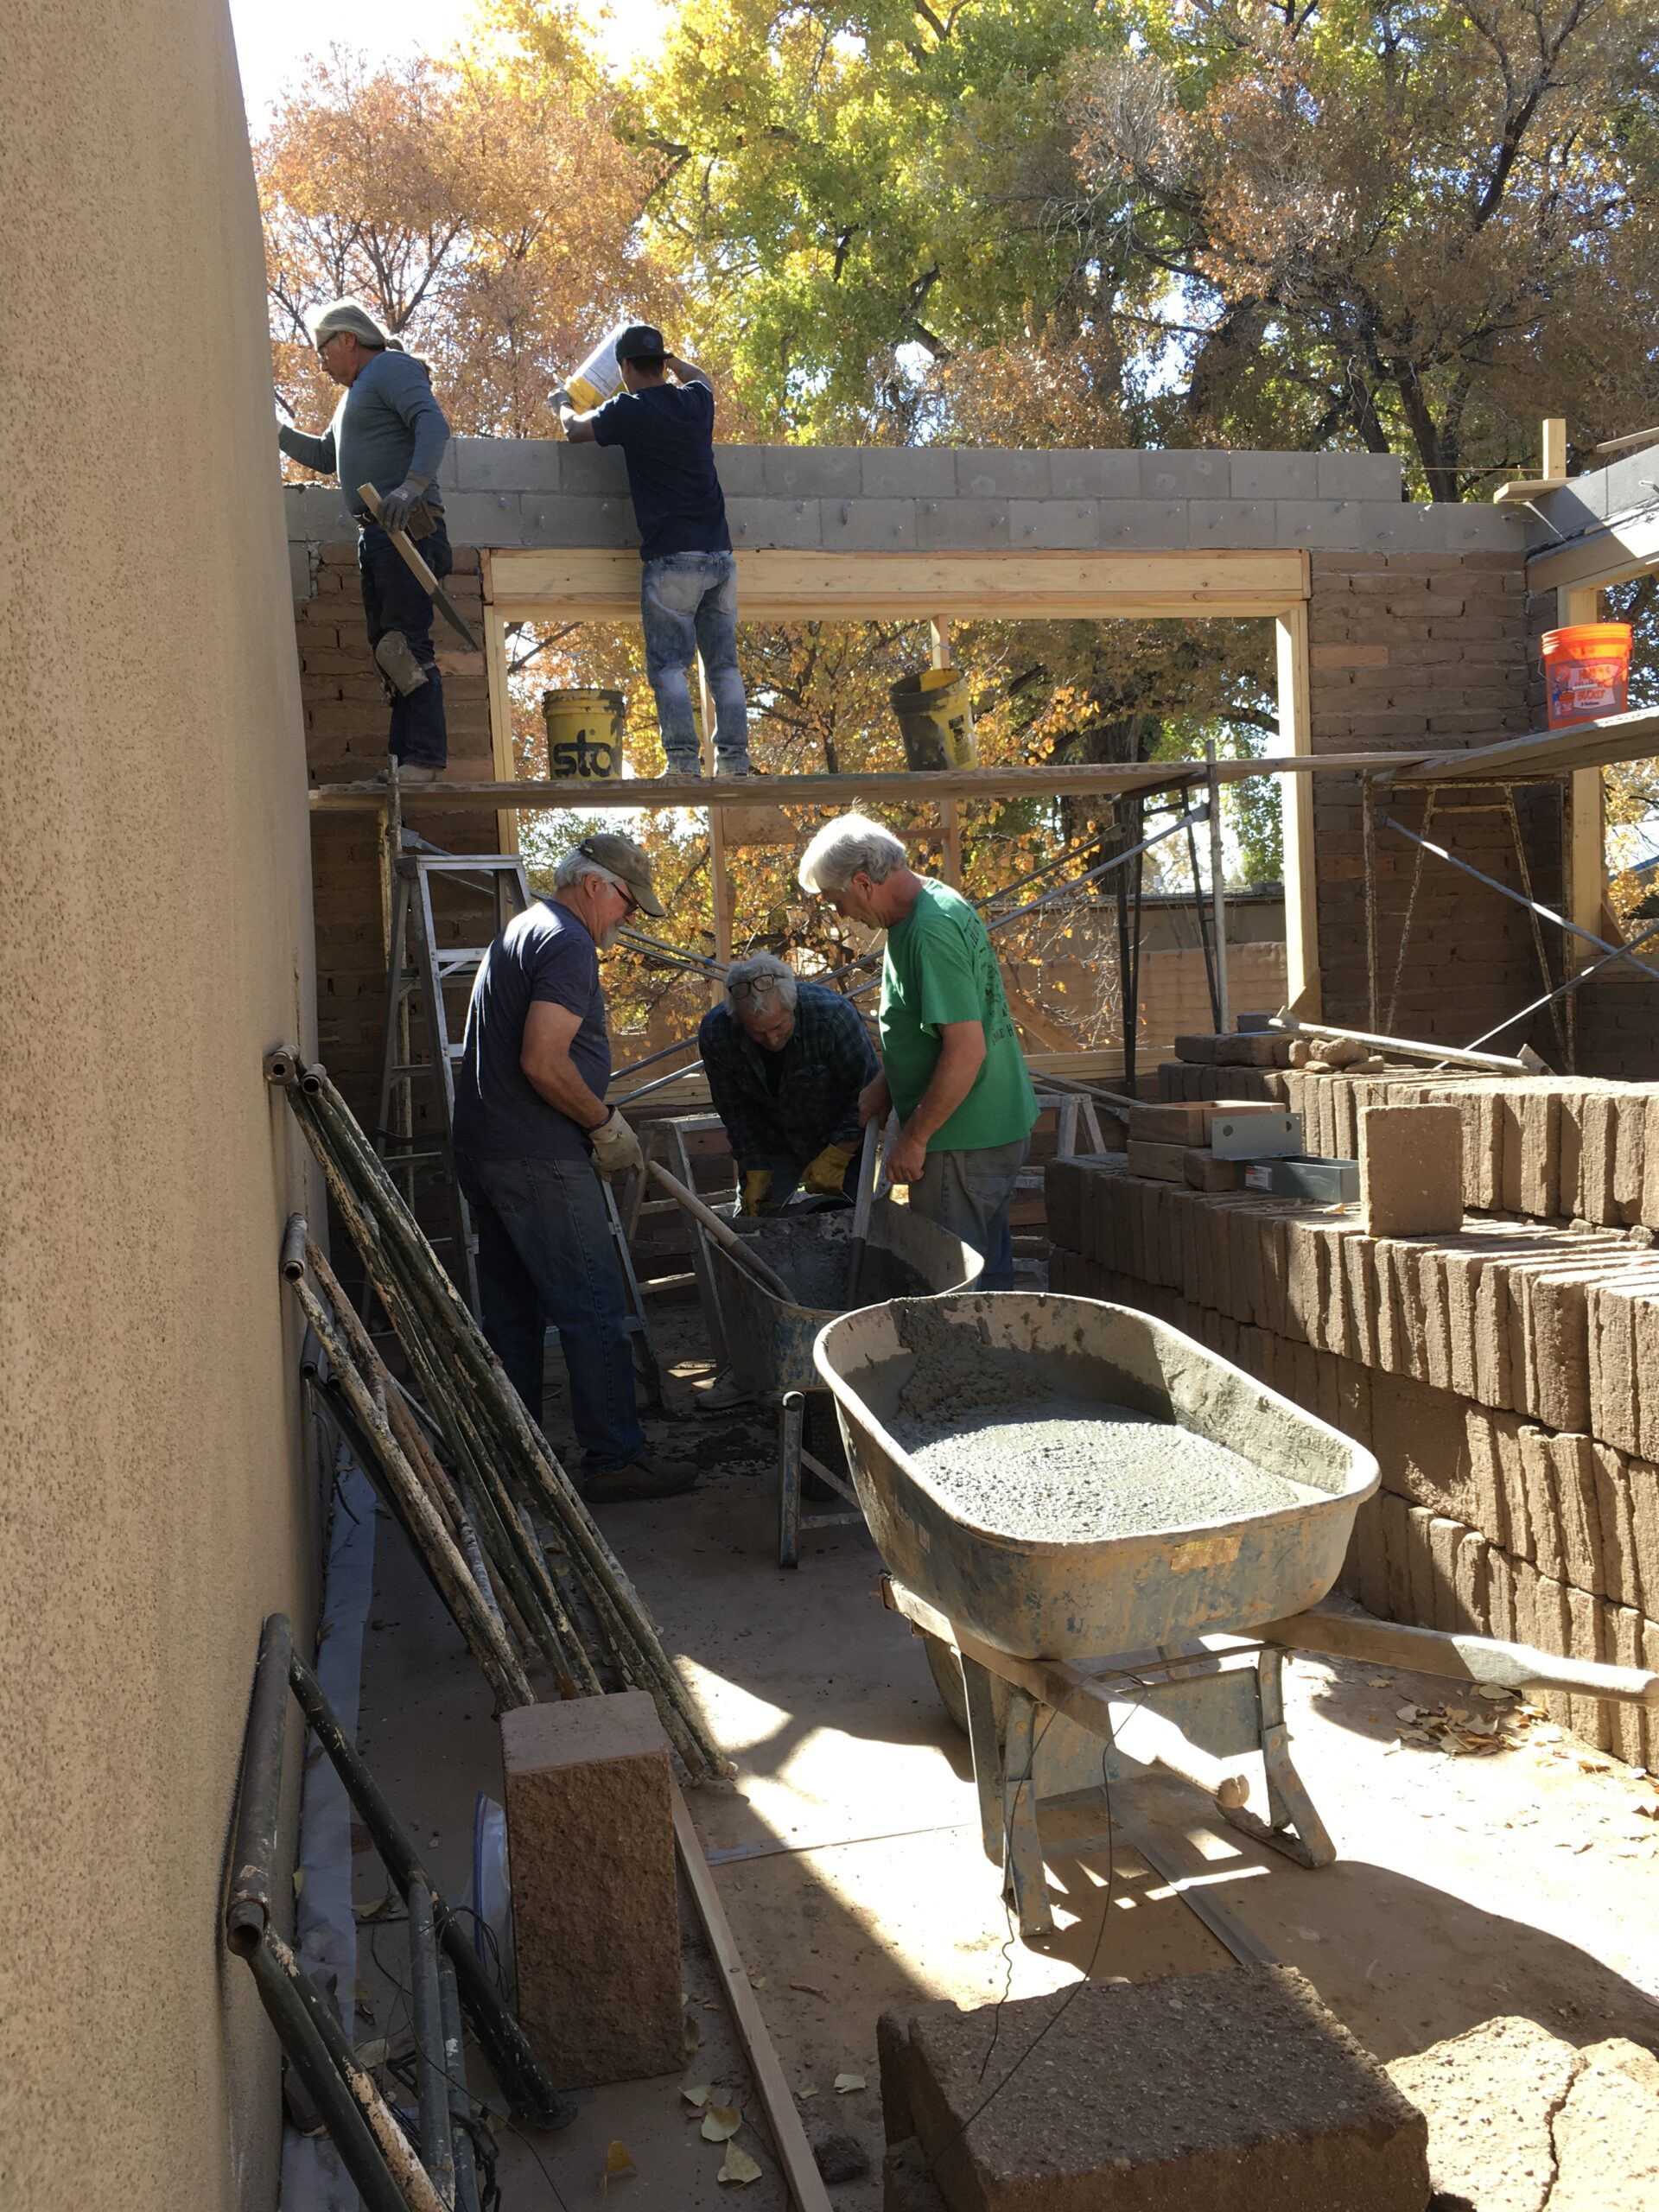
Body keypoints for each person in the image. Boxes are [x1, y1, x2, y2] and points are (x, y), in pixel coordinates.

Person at [451, 833, 698, 1503]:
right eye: (626, 902)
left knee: (513, 1315)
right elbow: (543, 1060)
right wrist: (602, 1122)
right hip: (537, 1156)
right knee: (594, 1306)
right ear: (594, 885)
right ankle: (615, 1455)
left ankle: (516, 1460)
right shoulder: (565, 942)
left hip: (488, 1150)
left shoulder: (524, 929)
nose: (627, 918)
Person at [797, 816, 1038, 1291]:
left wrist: (915, 1137)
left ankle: (967, 1365)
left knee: (956, 1285)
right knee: (988, 1273)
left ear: (863, 883)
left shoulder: (929, 932)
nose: (841, 914)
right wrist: (886, 1086)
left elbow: (966, 1049)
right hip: (988, 1126)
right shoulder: (925, 905)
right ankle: (997, 1361)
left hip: (962, 1140)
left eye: (836, 900)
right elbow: (934, 1025)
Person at [556, 326, 750, 779]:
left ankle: (684, 763)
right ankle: (735, 763)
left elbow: (574, 432)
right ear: (663, 365)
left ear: (624, 368)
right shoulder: (696, 403)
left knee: (669, 667)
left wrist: (562, 403)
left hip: (672, 559)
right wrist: (674, 360)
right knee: (724, 667)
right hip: (720, 556)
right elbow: (702, 378)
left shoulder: (630, 408)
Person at [278, 299, 452, 783]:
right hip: (377, 534)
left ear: (347, 340)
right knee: (387, 650)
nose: (322, 363)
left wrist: (411, 487)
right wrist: (272, 430)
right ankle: (403, 763)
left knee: (405, 643)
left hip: (407, 526)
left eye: (323, 351)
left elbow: (433, 424)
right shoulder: (352, 397)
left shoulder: (392, 369)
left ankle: (423, 761)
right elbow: (324, 456)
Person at [699, 954, 880, 1217]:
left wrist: (840, 1152)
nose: (771, 1040)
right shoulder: (717, 1033)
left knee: (849, 1223)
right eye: (758, 1033)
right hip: (773, 1143)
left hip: (841, 1136)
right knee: (761, 1226)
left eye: (779, 1027)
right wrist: (754, 1164)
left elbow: (868, 1092)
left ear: (792, 1006)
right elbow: (735, 1110)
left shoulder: (832, 1016)